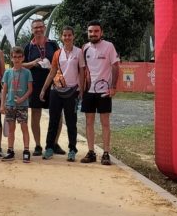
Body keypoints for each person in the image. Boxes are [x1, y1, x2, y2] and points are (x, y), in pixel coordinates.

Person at [40, 26, 86, 162]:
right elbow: (52, 72)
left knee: (71, 122)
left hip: (72, 91)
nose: (67, 37)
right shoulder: (57, 53)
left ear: (73, 36)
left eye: (69, 35)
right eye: (64, 35)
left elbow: (82, 72)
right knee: (53, 120)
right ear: (61, 37)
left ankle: (72, 150)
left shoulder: (79, 52)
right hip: (56, 91)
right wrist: (44, 89)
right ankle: (49, 148)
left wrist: (81, 90)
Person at [80, 20, 120, 165]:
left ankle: (106, 153)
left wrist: (113, 86)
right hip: (88, 91)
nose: (93, 34)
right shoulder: (84, 48)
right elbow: (83, 70)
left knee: (105, 123)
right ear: (87, 33)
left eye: (96, 31)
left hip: (104, 91)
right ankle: (91, 152)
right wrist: (81, 89)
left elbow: (115, 66)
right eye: (90, 31)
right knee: (89, 122)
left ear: (101, 33)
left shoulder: (109, 46)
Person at [23, 19, 60, 156]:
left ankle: (54, 143)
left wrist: (52, 66)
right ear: (32, 30)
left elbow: (60, 61)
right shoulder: (28, 47)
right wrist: (32, 63)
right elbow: (20, 64)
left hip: (53, 83)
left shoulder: (53, 44)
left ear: (44, 28)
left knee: (56, 114)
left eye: (40, 27)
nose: (38, 30)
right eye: (35, 28)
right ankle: (38, 145)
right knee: (35, 114)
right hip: (35, 83)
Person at [0, 47, 33, 162]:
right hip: (10, 105)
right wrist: (2, 105)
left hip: (22, 105)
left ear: (23, 58)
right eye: (15, 57)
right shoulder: (8, 72)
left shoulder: (27, 72)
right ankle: (10, 151)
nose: (17, 59)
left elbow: (30, 89)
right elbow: (4, 90)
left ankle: (26, 151)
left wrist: (22, 99)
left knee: (24, 127)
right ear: (11, 58)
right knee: (11, 129)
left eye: (19, 57)